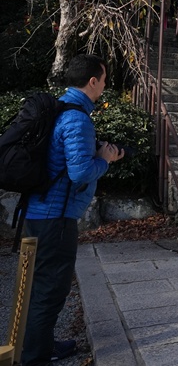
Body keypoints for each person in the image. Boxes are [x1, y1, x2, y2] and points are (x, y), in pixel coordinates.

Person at [21, 55, 124, 365]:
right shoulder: (77, 118)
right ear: (92, 81)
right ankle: (35, 356)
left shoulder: (59, 107)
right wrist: (105, 159)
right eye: (104, 80)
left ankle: (42, 345)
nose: (105, 85)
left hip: (40, 211)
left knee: (43, 285)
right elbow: (79, 172)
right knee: (51, 288)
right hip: (56, 216)